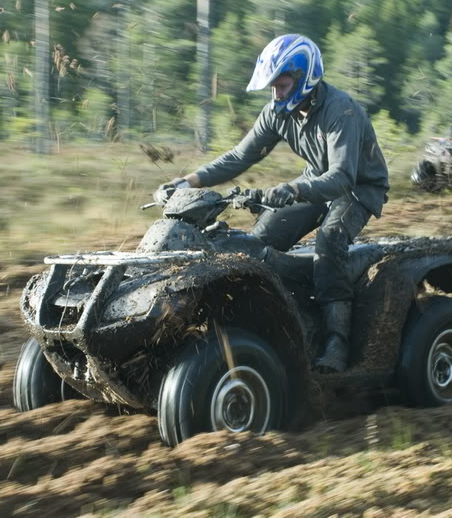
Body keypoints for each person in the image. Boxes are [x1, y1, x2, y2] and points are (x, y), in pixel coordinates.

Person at [152, 34, 389, 373]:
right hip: (312, 183)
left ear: (305, 77)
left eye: (282, 84)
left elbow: (341, 178)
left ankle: (337, 340)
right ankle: (290, 315)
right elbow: (239, 156)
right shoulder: (277, 113)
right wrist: (185, 182)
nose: (276, 93)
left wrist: (292, 189)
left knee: (330, 239)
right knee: (259, 241)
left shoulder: (342, 111)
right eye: (272, 87)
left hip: (358, 189)